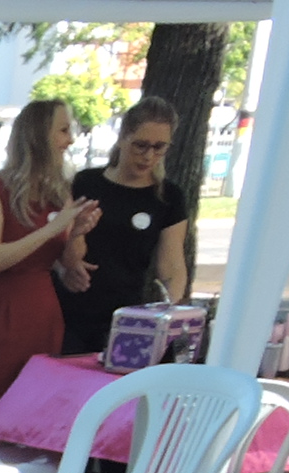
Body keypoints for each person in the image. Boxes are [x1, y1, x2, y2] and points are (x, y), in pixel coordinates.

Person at [0, 99, 102, 404]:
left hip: (42, 317)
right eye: (63, 130)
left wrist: (76, 233)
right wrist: (50, 229)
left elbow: (66, 263)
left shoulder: (57, 195)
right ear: (38, 136)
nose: (70, 140)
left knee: (29, 410)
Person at [57, 96, 190, 357]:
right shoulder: (85, 183)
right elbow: (54, 243)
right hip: (71, 310)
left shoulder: (169, 197)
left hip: (126, 318)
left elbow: (172, 267)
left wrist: (169, 313)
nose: (148, 156)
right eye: (140, 145)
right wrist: (63, 269)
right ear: (122, 137)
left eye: (159, 147)